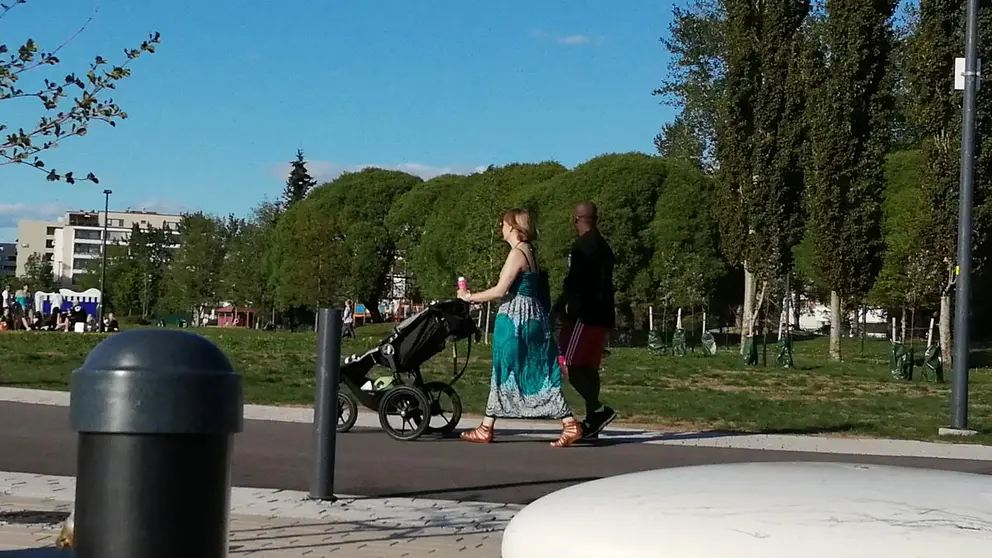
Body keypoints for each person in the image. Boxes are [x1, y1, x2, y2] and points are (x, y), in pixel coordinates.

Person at [457, 208, 584, 447]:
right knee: (525, 369)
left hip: (516, 319)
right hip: (532, 315)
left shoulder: (517, 253)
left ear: (514, 227)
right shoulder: (530, 251)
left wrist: (468, 296)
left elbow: (499, 290)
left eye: (504, 224)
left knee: (509, 369)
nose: (501, 228)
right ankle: (487, 426)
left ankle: (569, 422)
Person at [553, 202, 618, 440]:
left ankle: (597, 409)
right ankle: (593, 416)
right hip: (602, 314)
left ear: (576, 219)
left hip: (584, 315)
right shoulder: (604, 247)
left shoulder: (581, 247)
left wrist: (563, 309)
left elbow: (576, 284)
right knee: (588, 366)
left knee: (567, 363)